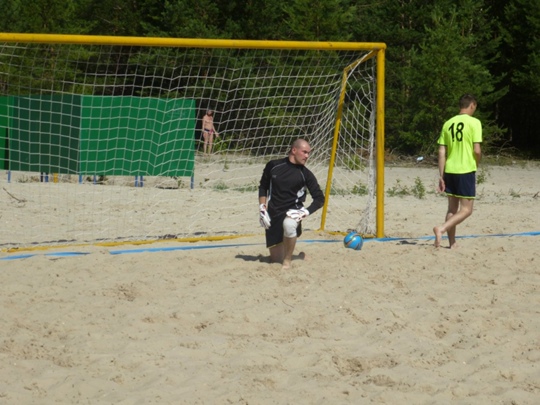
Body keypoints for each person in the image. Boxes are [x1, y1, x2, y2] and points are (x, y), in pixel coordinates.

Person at [258, 138, 325, 269]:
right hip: (274, 214)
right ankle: (300, 256)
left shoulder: (306, 174)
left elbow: (320, 199)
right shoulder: (273, 166)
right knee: (275, 259)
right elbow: (263, 187)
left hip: (293, 212)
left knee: (288, 225)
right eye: (304, 152)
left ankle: (287, 261)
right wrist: (262, 208)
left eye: (308, 153)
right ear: (294, 150)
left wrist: (305, 212)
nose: (307, 156)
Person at [433, 94, 482, 248]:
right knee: (467, 210)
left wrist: (442, 176)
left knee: (452, 209)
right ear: (472, 105)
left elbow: (441, 152)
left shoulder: (448, 123)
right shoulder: (474, 122)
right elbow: (477, 150)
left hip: (450, 170)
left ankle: (452, 243)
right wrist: (476, 163)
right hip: (465, 169)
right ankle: (441, 228)